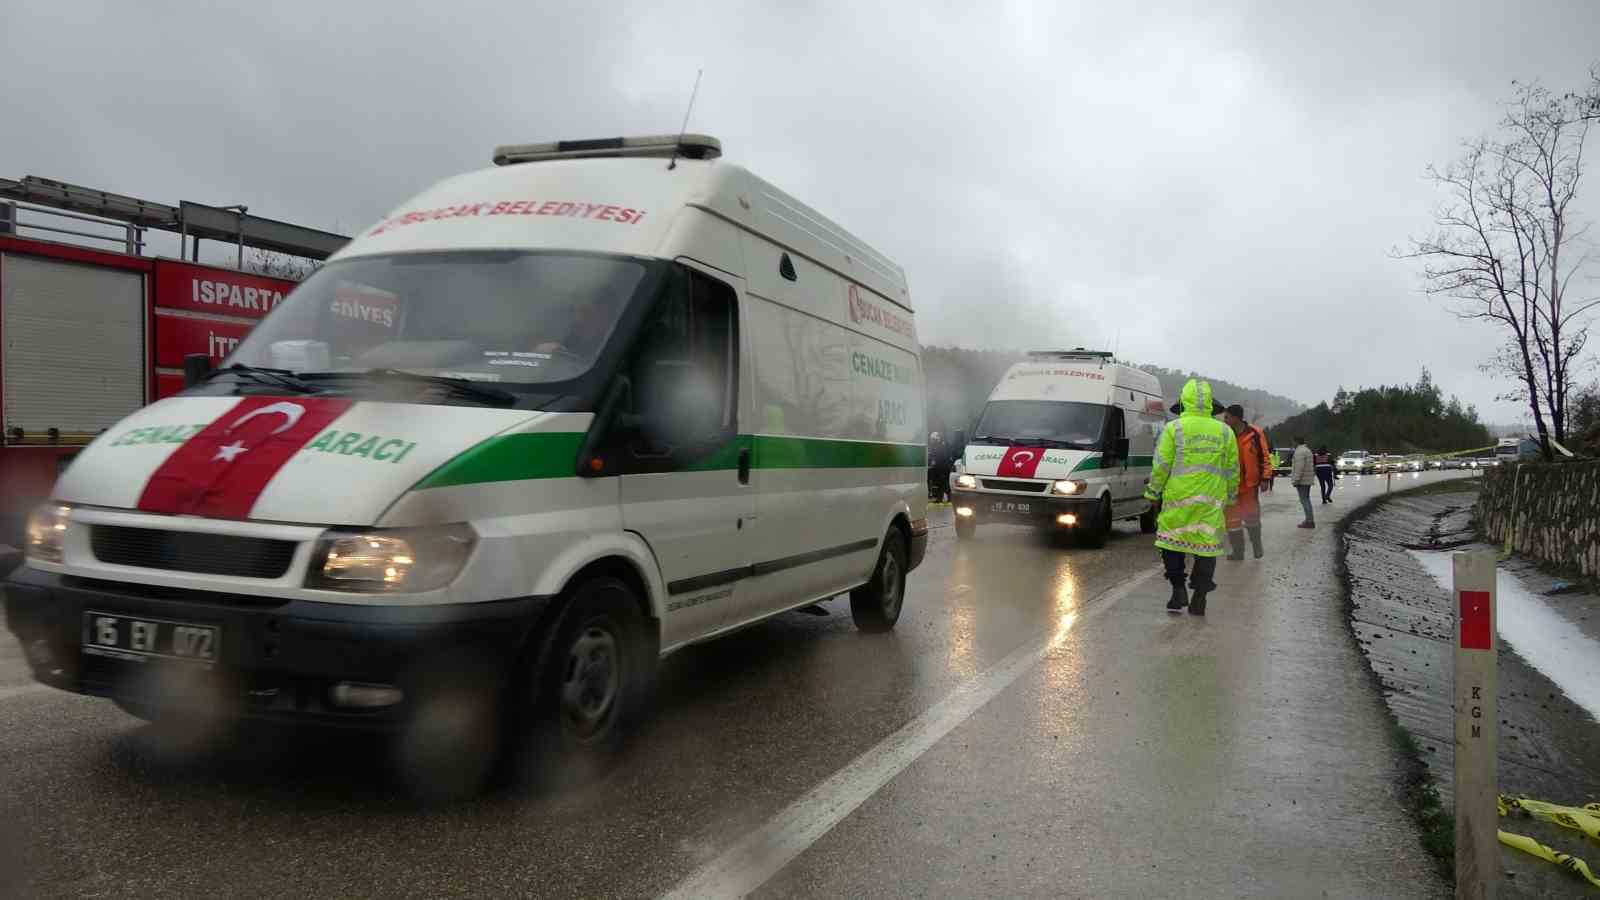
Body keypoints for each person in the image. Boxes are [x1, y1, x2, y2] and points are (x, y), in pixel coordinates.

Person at [1144, 379, 1239, 615]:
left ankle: (1178, 589)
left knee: (1171, 543)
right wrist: (1231, 496)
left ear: (1184, 401)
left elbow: (1161, 466)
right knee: (1207, 548)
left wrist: (1153, 492)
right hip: (1211, 501)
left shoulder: (1173, 428)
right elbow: (1232, 469)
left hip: (1178, 499)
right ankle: (1200, 595)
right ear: (1209, 403)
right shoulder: (1225, 432)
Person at [1221, 404, 1274, 560]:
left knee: (1252, 517)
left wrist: (1265, 478)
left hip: (1250, 484)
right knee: (1232, 521)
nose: (1224, 420)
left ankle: (1257, 546)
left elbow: (1264, 456)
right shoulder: (1224, 434)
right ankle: (1238, 552)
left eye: (1227, 417)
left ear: (1236, 418)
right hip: (1230, 485)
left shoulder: (1255, 433)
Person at [1290, 436, 1316, 528]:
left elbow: (1299, 467)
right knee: (1306, 499)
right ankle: (1309, 519)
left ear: (1296, 442)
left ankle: (1309, 521)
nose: (1292, 444)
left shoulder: (1299, 452)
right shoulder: (1307, 450)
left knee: (1304, 500)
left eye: (1293, 442)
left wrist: (1296, 480)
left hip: (1302, 480)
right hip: (1307, 479)